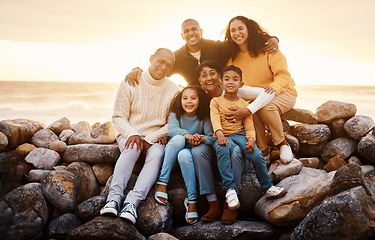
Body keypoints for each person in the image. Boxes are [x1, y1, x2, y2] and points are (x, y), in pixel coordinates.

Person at [99, 48, 179, 225]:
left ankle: (131, 203)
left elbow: (170, 124)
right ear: (151, 59)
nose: (164, 67)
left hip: (155, 138)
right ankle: (113, 199)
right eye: (161, 62)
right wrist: (134, 134)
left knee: (157, 154)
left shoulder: (173, 89)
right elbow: (118, 116)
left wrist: (150, 138)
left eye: (169, 65)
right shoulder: (131, 81)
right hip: (130, 132)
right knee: (132, 148)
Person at [210, 65, 287, 224]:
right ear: (221, 82)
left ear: (241, 84)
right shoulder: (216, 101)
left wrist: (251, 140)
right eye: (227, 79)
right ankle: (230, 190)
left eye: (235, 79)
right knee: (223, 151)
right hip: (223, 136)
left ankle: (267, 188)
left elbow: (249, 126)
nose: (231, 82)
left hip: (239, 135)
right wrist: (220, 135)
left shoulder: (244, 104)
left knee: (256, 154)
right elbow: (215, 120)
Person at [222, 16, 298, 165]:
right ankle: (263, 151)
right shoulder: (232, 58)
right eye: (232, 30)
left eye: (240, 28)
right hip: (256, 97)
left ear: (249, 30)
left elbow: (283, 75)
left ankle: (282, 143)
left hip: (283, 92)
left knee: (264, 106)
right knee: (253, 107)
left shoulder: (268, 48)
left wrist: (274, 88)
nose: (237, 33)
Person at [125, 18, 279, 86]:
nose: (191, 33)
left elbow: (239, 39)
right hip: (196, 98)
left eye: (194, 29)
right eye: (186, 31)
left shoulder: (217, 47)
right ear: (182, 36)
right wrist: (137, 70)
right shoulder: (177, 56)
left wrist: (272, 38)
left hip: (219, 95)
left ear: (201, 31)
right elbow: (159, 70)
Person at [154, 85, 216, 225]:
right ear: (180, 100)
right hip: (173, 152)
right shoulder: (177, 114)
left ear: (200, 100)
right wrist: (189, 137)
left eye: (193, 98)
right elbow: (172, 130)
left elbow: (211, 138)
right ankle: (162, 182)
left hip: (188, 154)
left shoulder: (203, 116)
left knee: (184, 155)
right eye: (185, 98)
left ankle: (192, 200)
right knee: (178, 139)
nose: (189, 102)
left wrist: (200, 139)